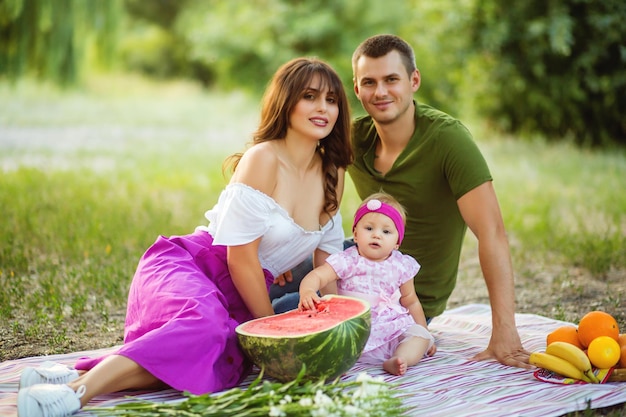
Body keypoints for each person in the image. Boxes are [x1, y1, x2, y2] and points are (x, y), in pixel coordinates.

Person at [16, 57, 354, 417]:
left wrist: (333, 331)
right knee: (205, 332)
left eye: (332, 100)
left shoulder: (332, 173)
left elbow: (328, 265)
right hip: (193, 266)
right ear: (286, 103)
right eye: (310, 96)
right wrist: (273, 327)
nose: (323, 108)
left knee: (214, 363)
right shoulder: (264, 158)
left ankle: (66, 374)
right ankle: (73, 395)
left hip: (238, 296)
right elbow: (239, 259)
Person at [272, 34, 531, 369]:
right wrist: (289, 251)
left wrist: (505, 333)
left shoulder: (448, 140)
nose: (380, 92)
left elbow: (492, 233)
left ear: (414, 80)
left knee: (284, 308)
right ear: (356, 88)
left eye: (391, 79)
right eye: (369, 82)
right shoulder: (355, 137)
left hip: (405, 294)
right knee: (260, 280)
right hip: (361, 259)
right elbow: (320, 200)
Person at [298, 192, 436, 376]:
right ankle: (338, 362)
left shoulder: (402, 265)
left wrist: (427, 335)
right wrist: (307, 290)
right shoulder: (348, 260)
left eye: (386, 232)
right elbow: (318, 276)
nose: (377, 235)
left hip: (391, 328)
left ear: (397, 242)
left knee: (418, 337)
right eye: (369, 228)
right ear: (355, 234)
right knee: (321, 339)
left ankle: (400, 359)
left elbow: (411, 301)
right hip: (353, 328)